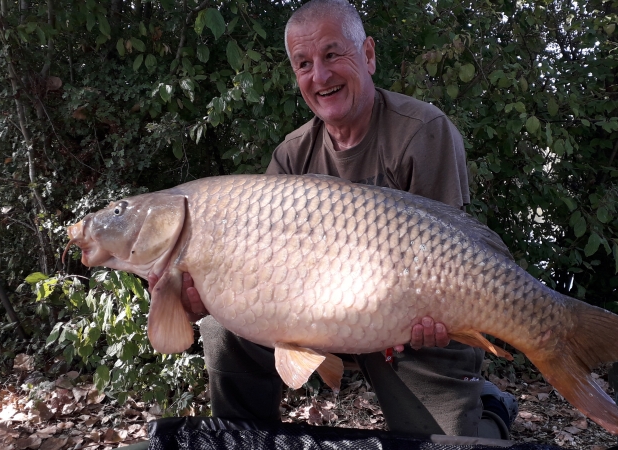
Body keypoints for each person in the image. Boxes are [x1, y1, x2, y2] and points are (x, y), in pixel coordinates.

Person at [156, 0, 516, 439]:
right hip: (316, 321)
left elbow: (452, 254)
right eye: (304, 63)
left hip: (406, 330)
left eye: (332, 55)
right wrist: (205, 296)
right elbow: (262, 276)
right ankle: (242, 439)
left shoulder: (422, 130)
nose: (320, 76)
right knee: (222, 329)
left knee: (447, 444)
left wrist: (440, 314)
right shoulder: (291, 154)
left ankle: (492, 408)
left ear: (367, 55)